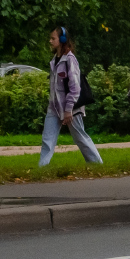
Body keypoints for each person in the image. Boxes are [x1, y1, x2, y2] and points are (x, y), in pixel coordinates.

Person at [40, 27, 102, 167]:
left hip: (71, 108)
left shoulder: (70, 60)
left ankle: (97, 164)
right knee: (47, 139)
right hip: (54, 107)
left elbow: (75, 88)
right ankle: (42, 167)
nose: (50, 41)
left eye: (53, 38)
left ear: (62, 39)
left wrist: (68, 110)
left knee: (80, 137)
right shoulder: (54, 61)